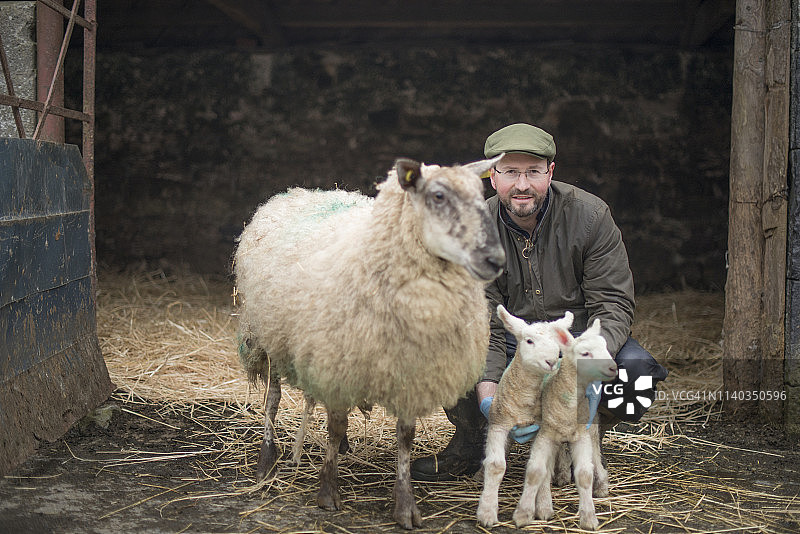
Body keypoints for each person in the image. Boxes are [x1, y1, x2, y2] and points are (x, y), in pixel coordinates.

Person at [410, 123, 668, 481]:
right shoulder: (474, 228)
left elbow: (612, 306)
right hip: (513, 348)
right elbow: (483, 322)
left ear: (551, 172)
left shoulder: (590, 217)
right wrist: (490, 401)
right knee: (448, 348)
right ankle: (473, 440)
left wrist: (586, 375)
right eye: (510, 172)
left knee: (637, 372)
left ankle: (582, 437)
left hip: (574, 344)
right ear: (491, 176)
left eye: (533, 171)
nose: (522, 185)